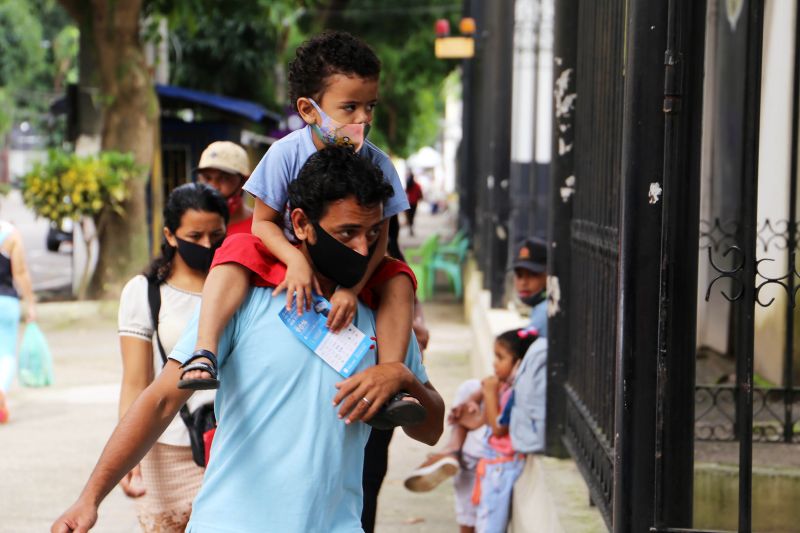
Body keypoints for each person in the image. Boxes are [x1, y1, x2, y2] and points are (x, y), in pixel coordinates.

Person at [51, 146, 445, 533]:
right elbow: (160, 400)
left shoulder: (382, 316)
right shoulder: (245, 296)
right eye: (347, 232)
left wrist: (402, 377)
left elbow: (430, 430)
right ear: (302, 224)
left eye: (373, 233)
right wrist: (90, 498)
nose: (362, 248)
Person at [180, 31, 422, 430]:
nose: (363, 119)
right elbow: (262, 223)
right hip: (291, 262)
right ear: (309, 109)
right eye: (349, 107)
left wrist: (352, 288)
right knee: (236, 247)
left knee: (398, 278)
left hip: (353, 265)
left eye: (370, 107)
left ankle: (394, 384)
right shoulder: (285, 153)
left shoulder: (378, 164)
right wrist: (294, 260)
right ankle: (203, 351)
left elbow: (381, 241)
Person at [115, 183, 226, 531]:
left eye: (216, 235)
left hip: (233, 442)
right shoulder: (145, 293)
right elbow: (136, 382)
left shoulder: (241, 285)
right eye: (195, 235)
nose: (207, 245)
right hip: (167, 445)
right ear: (171, 235)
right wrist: (127, 453)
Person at [404, 328, 536, 533]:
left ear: (519, 364)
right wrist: (470, 406)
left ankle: (451, 453)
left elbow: (498, 428)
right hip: (491, 463)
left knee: (489, 523)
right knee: (480, 511)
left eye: (500, 358)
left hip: (501, 467)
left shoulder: (514, 392)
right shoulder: (503, 384)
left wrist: (489, 395)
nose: (494, 363)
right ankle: (452, 452)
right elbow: (482, 414)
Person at [0, 218, 36, 424]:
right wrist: (30, 303)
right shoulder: (11, 235)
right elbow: (20, 272)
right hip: (6, 302)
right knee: (6, 355)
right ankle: (1, 392)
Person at [194, 141, 253, 235]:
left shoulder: (262, 229)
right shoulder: (188, 227)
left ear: (245, 181)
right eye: (206, 178)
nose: (213, 186)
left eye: (224, 178)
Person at [405, 172, 423, 236]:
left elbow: (405, 194)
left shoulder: (407, 185)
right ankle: (411, 227)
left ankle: (410, 227)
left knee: (409, 216)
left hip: (408, 203)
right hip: (414, 203)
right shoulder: (417, 185)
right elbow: (420, 194)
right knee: (412, 216)